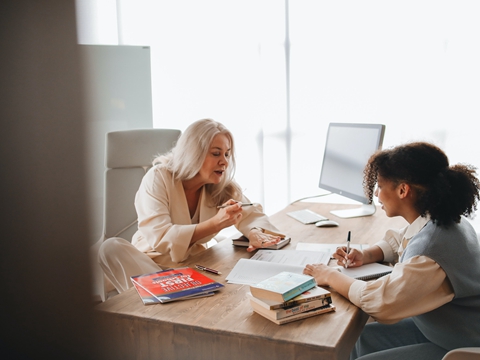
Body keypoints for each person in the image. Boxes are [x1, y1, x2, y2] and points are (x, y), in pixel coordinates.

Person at [303, 142, 480, 360]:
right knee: (360, 338)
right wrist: (368, 254)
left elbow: (381, 302)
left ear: (403, 190)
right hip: (442, 328)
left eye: (379, 185)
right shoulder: (443, 220)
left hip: (461, 344)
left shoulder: (432, 253)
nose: (376, 194)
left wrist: (330, 275)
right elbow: (403, 239)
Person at [99, 119, 284, 293]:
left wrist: (254, 232)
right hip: (149, 264)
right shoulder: (158, 178)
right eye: (216, 153)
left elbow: (250, 213)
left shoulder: (222, 187)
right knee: (111, 247)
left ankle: (171, 299)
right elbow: (161, 238)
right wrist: (215, 224)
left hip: (192, 266)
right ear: (194, 152)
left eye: (227, 154)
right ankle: (164, 298)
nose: (225, 161)